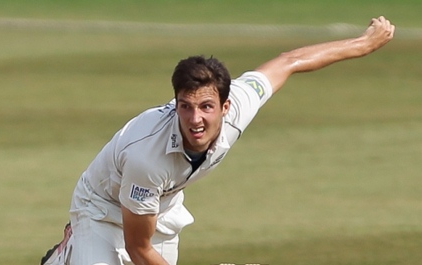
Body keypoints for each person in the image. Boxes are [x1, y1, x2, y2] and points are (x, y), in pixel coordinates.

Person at [41, 16, 395, 265]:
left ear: (226, 106)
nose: (196, 119)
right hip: (102, 209)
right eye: (186, 106)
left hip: (160, 208)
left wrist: (362, 45)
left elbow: (290, 61)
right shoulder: (146, 156)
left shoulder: (240, 103)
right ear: (176, 102)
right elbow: (138, 247)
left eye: (207, 107)